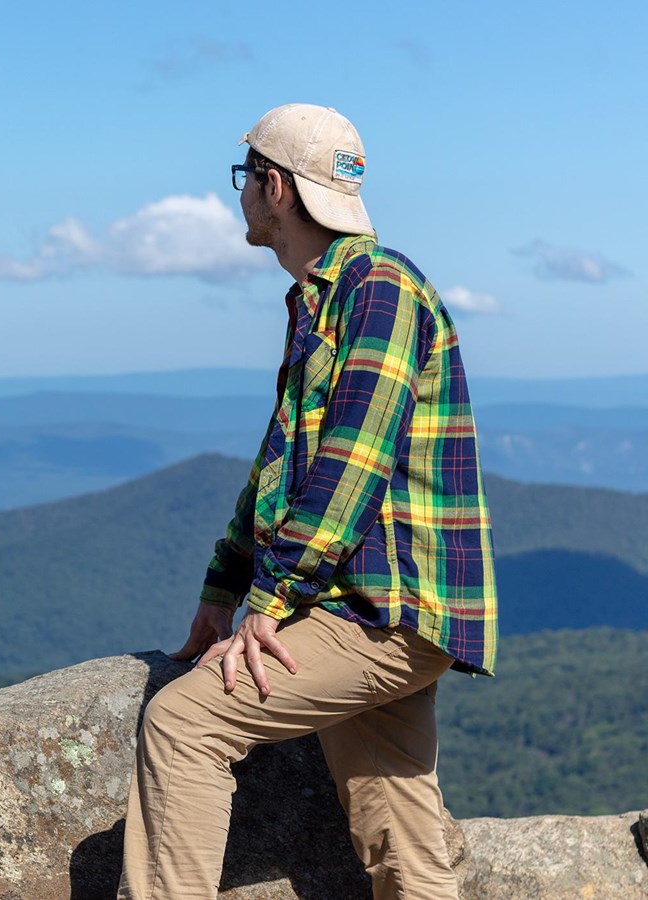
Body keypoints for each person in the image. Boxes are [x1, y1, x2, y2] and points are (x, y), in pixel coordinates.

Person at [116, 104, 498, 899]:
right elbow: (279, 467)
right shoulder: (325, 299)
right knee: (403, 837)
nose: (242, 194)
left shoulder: (377, 291)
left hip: (376, 608)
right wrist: (225, 586)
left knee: (184, 726)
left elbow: (352, 465)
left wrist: (270, 596)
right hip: (375, 603)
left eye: (245, 176)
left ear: (276, 186)